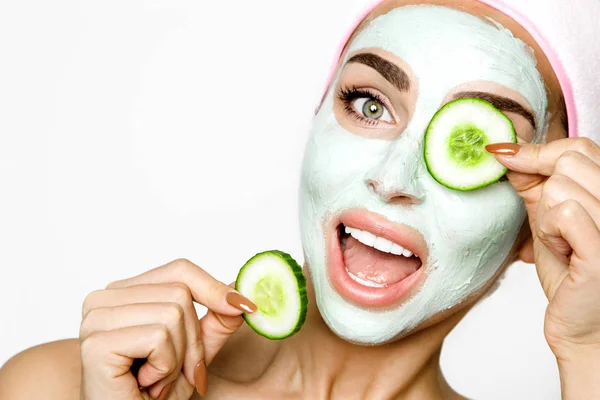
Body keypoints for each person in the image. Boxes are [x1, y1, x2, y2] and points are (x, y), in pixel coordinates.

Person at [1, 0, 599, 398]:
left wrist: (588, 352)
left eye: (480, 147)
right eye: (370, 103)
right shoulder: (62, 385)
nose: (394, 180)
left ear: (539, 226)